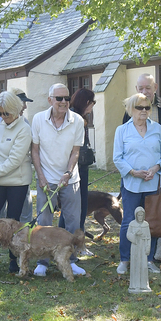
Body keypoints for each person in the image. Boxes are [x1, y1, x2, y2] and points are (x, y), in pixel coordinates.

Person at [30, 83, 88, 277]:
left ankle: (70, 261)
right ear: (50, 100)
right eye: (59, 98)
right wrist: (41, 176)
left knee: (72, 222)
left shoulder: (77, 120)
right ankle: (43, 262)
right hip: (45, 178)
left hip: (70, 179)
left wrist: (68, 173)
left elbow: (75, 152)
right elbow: (35, 151)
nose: (64, 102)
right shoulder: (38, 119)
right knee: (44, 221)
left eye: (66, 98)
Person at [113, 92, 161, 276]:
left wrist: (155, 168)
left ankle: (149, 259)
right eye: (139, 107)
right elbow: (117, 158)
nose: (144, 111)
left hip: (153, 183)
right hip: (131, 183)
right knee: (128, 221)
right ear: (130, 110)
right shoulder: (122, 130)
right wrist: (133, 172)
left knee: (150, 223)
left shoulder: (158, 129)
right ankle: (125, 260)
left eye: (147, 107)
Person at [0, 90, 33, 274]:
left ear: (17, 110)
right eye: (0, 113)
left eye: (7, 113)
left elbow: (14, 161)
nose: (3, 117)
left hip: (17, 182)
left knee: (13, 222)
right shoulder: (1, 126)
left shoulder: (24, 129)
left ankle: (15, 259)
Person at [71, 86, 98, 232]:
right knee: (78, 205)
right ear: (87, 102)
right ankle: (76, 238)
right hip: (77, 166)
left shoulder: (79, 117)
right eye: (93, 103)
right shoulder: (75, 118)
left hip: (81, 165)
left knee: (78, 204)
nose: (93, 107)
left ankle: (77, 236)